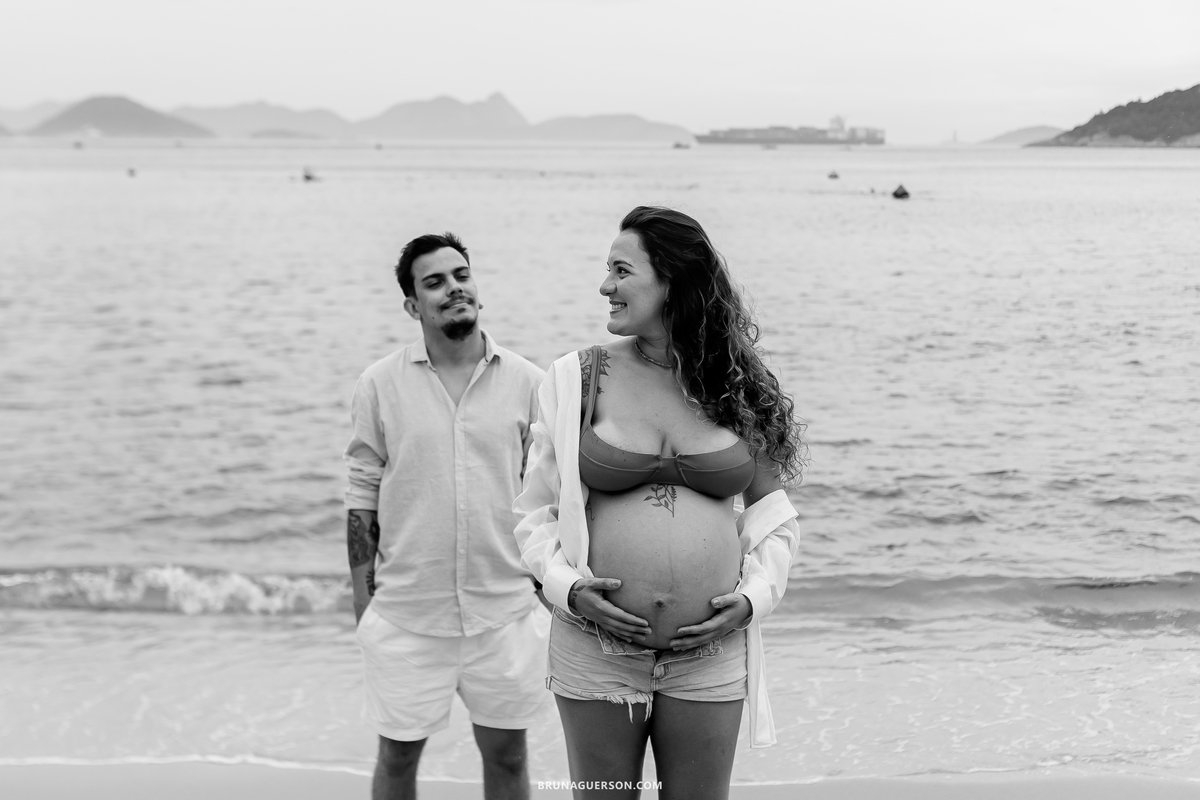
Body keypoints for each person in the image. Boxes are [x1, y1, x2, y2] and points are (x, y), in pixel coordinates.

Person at [513, 207, 804, 800]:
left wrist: (751, 601)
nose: (605, 286)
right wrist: (569, 589)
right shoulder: (577, 379)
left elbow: (773, 513)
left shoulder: (734, 385)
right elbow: (534, 514)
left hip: (711, 651)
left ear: (672, 280)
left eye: (622, 270)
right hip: (596, 648)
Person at [344, 232, 549, 800]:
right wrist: (365, 603)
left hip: (505, 611)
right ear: (413, 305)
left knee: (508, 757)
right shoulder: (379, 384)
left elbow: (547, 498)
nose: (453, 288)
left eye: (461, 275)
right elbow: (362, 496)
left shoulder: (529, 383)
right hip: (408, 613)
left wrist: (543, 587)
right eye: (434, 282)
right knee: (397, 757)